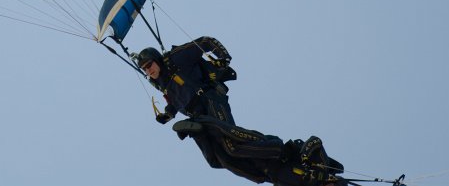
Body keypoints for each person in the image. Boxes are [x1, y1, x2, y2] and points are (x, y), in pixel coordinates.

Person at [136, 38, 344, 186]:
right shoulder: (160, 84)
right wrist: (168, 114)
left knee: (231, 146)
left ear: (157, 59)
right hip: (196, 115)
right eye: (145, 69)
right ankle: (196, 131)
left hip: (211, 100)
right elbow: (175, 100)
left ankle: (279, 150)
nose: (148, 70)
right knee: (218, 161)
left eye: (149, 65)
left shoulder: (176, 58)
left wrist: (223, 58)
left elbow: (206, 42)